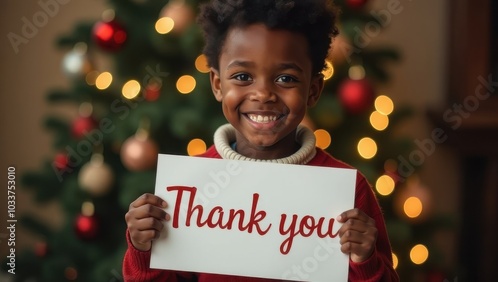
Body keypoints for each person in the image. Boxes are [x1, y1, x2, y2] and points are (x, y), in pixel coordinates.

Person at [123, 0, 399, 281]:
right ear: (218, 85)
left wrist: (364, 260)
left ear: (313, 90)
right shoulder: (191, 189)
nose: (264, 94)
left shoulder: (348, 190)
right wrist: (144, 249)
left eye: (285, 78)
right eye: (243, 76)